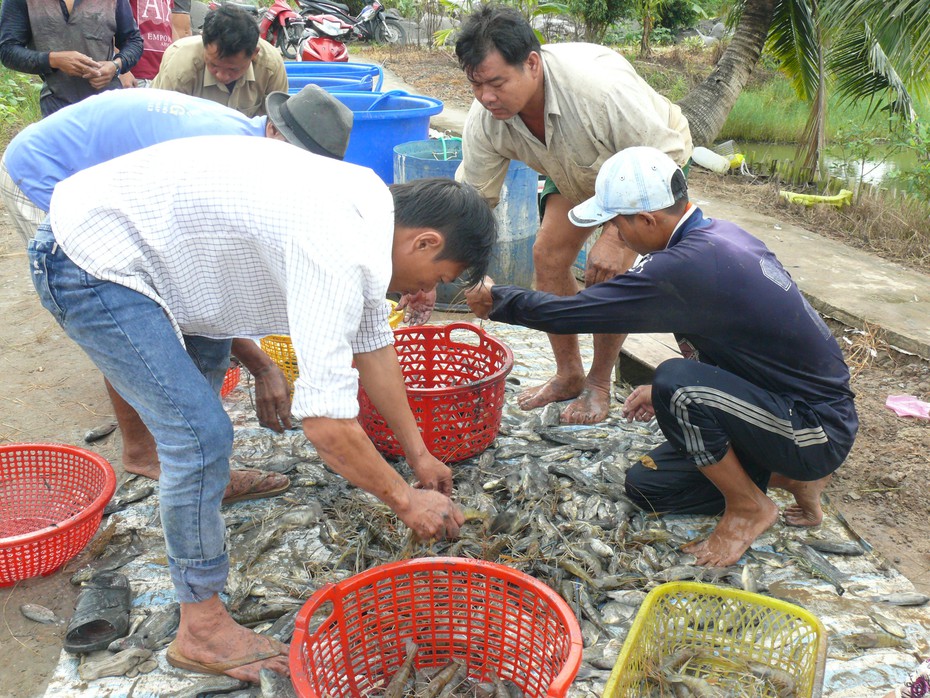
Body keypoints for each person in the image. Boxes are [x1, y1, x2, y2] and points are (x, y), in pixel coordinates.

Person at [29, 135, 497, 680]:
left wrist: (419, 455)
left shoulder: (372, 211)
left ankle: (208, 484)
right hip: (93, 260)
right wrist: (403, 500)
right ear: (425, 242)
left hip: (175, 265)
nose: (423, 292)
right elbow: (325, 424)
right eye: (438, 278)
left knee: (199, 431)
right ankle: (200, 630)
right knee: (198, 438)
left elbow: (372, 344)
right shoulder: (340, 247)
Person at [465, 146, 858, 568]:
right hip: (778, 409)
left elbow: (575, 311)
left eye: (616, 223)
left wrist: (498, 299)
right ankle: (794, 477)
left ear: (648, 220)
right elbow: (747, 349)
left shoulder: (689, 265)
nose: (614, 232)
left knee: (678, 385)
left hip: (814, 427)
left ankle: (749, 507)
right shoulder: (719, 236)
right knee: (649, 486)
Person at [2, 85, 354, 505]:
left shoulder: (249, 147)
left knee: (152, 317)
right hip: (48, 171)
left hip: (92, 167)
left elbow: (208, 286)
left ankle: (183, 449)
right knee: (120, 311)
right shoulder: (224, 160)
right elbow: (176, 281)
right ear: (276, 133)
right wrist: (261, 365)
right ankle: (145, 453)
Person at [454, 4, 692, 425]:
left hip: (649, 163)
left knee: (611, 269)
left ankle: (599, 383)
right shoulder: (486, 118)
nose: (486, 97)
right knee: (547, 255)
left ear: (532, 64)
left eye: (496, 83)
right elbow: (473, 202)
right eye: (476, 85)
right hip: (574, 168)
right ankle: (569, 375)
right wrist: (471, 272)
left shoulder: (599, 91)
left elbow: (664, 154)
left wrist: (617, 238)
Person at [0, 0, 143, 117]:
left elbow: (133, 40)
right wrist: (53, 60)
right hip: (56, 104)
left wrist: (115, 66)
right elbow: (7, 50)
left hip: (108, 105)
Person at [152, 4, 287, 117]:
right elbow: (162, 121)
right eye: (214, 65)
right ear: (203, 45)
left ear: (254, 54)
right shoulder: (180, 65)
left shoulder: (271, 67)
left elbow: (276, 123)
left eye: (233, 69)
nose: (222, 76)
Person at [121, 0, 193, 88]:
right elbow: (109, 28)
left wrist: (184, 59)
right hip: (136, 75)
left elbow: (169, 25)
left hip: (164, 75)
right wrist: (121, 70)